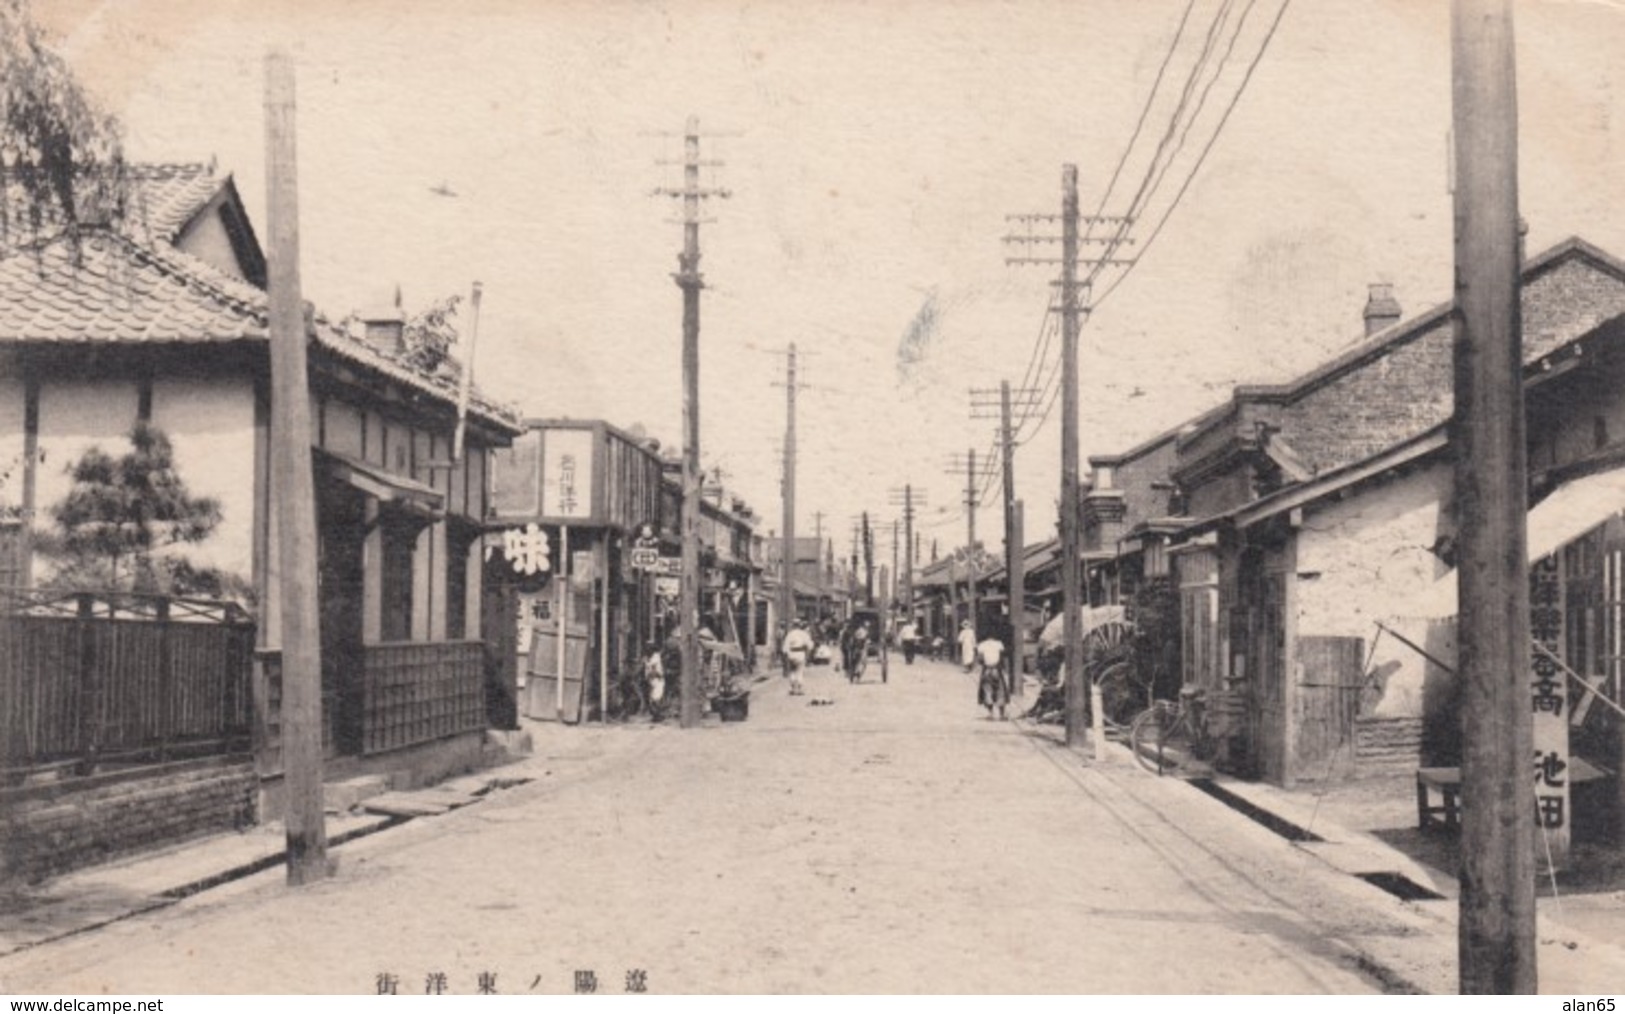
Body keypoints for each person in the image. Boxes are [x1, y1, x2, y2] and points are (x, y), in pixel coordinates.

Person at [976, 628, 1008, 720]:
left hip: (987, 669)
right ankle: (1002, 714)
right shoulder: (999, 644)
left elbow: (980, 659)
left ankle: (990, 714)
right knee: (1000, 690)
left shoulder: (981, 645)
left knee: (987, 690)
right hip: (997, 669)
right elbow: (1002, 657)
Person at [782, 618, 814, 696]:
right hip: (800, 653)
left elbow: (785, 646)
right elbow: (810, 645)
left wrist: (786, 654)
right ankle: (799, 689)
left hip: (791, 653)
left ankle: (793, 689)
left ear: (793, 625)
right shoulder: (803, 634)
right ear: (800, 625)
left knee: (792, 671)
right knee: (799, 671)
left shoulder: (790, 634)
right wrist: (808, 652)